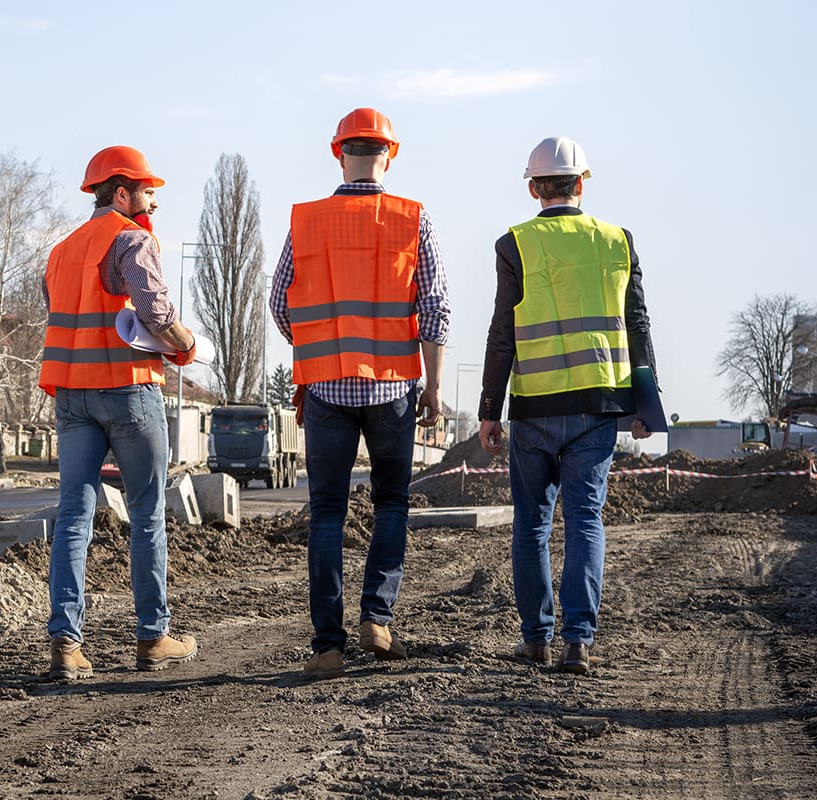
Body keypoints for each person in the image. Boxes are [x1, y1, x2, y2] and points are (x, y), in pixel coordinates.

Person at [270, 108, 450, 680]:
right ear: (389, 155)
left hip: (325, 386)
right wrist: (434, 386)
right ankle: (377, 618)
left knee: (326, 511)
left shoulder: (307, 220)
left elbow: (280, 304)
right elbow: (435, 308)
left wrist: (320, 345)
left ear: (337, 152)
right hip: (394, 386)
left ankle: (327, 644)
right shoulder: (410, 218)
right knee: (391, 501)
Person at [477, 136, 656, 675]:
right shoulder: (617, 241)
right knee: (585, 521)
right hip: (597, 408)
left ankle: (537, 639)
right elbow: (639, 325)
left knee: (531, 524)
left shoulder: (514, 244)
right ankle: (579, 640)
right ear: (583, 183)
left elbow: (501, 333)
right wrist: (645, 406)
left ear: (534, 188)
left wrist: (489, 408)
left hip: (533, 406)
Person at [38, 145, 198, 680]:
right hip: (128, 392)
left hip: (72, 397)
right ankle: (153, 637)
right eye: (148, 192)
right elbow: (152, 308)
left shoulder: (60, 252)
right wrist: (185, 344)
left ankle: (66, 643)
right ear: (122, 192)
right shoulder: (132, 238)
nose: (153, 202)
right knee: (148, 514)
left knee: (73, 517)